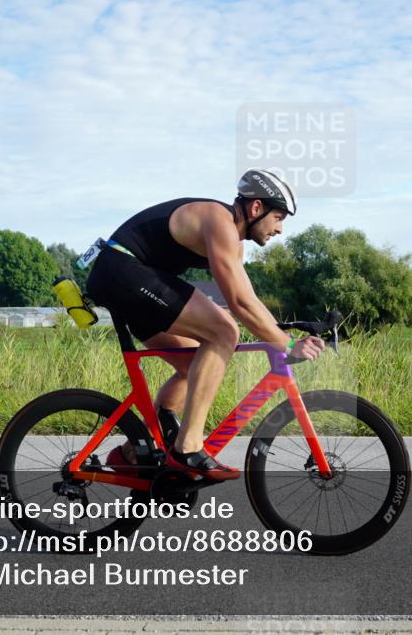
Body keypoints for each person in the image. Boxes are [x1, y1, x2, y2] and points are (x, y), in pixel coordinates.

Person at [86, 169, 325, 480]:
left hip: (126, 277)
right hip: (123, 269)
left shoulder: (233, 243)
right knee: (224, 333)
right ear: (256, 208)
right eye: (278, 217)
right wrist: (288, 345)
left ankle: (135, 452)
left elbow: (243, 300)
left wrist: (278, 328)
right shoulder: (219, 221)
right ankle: (187, 447)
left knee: (197, 361)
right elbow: (241, 305)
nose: (280, 229)